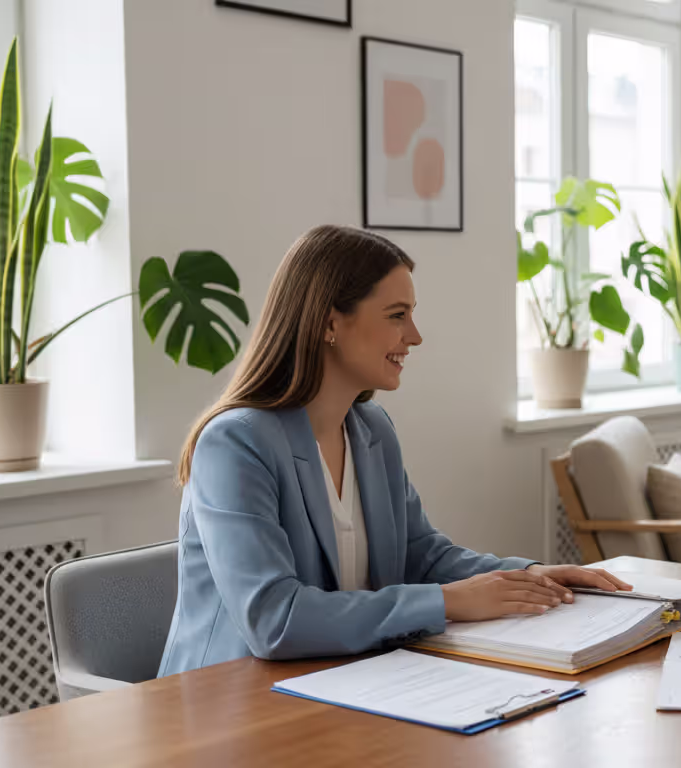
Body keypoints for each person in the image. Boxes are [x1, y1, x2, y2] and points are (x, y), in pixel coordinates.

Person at [158, 225, 629, 676]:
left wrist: (534, 576)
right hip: (229, 704)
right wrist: (450, 602)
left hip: (339, 679)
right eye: (396, 315)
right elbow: (273, 618)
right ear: (329, 323)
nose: (415, 336)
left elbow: (420, 555)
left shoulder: (371, 430)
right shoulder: (235, 443)